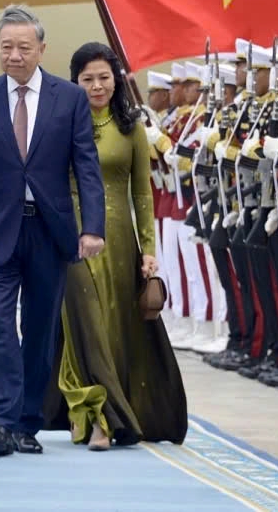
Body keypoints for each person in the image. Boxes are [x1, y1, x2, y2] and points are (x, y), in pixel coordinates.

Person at [0, 4, 105, 457]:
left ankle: (27, 421)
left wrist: (91, 227)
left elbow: (86, 167)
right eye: (6, 47)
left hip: (49, 232)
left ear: (41, 48)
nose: (14, 55)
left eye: (23, 47)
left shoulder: (69, 99)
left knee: (39, 328)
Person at [43, 42, 188, 450]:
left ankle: (95, 414)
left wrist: (148, 250)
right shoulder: (61, 124)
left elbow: (142, 194)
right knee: (82, 322)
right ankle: (99, 415)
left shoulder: (131, 129)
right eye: (87, 79)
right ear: (74, 82)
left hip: (120, 238)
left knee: (112, 326)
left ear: (117, 80)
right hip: (71, 236)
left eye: (103, 77)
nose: (96, 86)